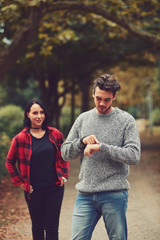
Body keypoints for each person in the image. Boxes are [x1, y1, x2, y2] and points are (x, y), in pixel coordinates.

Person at [61, 73, 141, 240]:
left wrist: (102, 147)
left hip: (114, 193)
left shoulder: (126, 120)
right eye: (98, 98)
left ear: (114, 97)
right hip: (85, 193)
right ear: (93, 93)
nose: (102, 103)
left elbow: (134, 156)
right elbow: (65, 152)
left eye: (107, 100)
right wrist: (81, 142)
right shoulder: (83, 119)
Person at [6, 98, 69, 240]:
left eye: (41, 112)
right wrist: (21, 183)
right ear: (28, 114)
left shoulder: (55, 134)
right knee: (38, 227)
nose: (39, 116)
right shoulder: (20, 139)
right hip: (33, 190)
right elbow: (10, 162)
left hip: (55, 188)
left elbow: (64, 155)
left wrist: (64, 175)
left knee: (52, 228)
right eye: (35, 113)